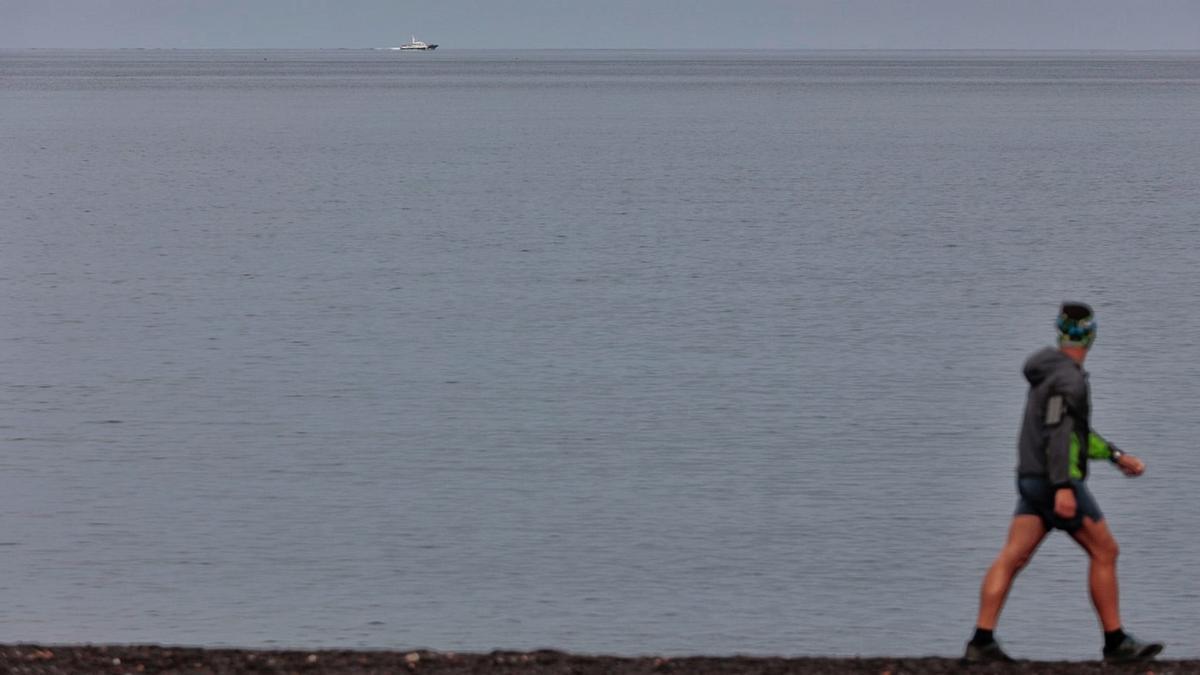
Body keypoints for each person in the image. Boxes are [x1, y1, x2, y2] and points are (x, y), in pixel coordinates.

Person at [963, 302, 1163, 664]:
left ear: (1059, 333)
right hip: (1054, 480)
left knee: (1013, 556)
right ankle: (1116, 643)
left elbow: (1076, 433)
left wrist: (1116, 457)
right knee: (1105, 551)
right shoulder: (1068, 379)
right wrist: (1063, 488)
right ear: (1092, 336)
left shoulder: (1048, 371)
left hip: (1030, 478)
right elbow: (1058, 432)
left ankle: (981, 641)